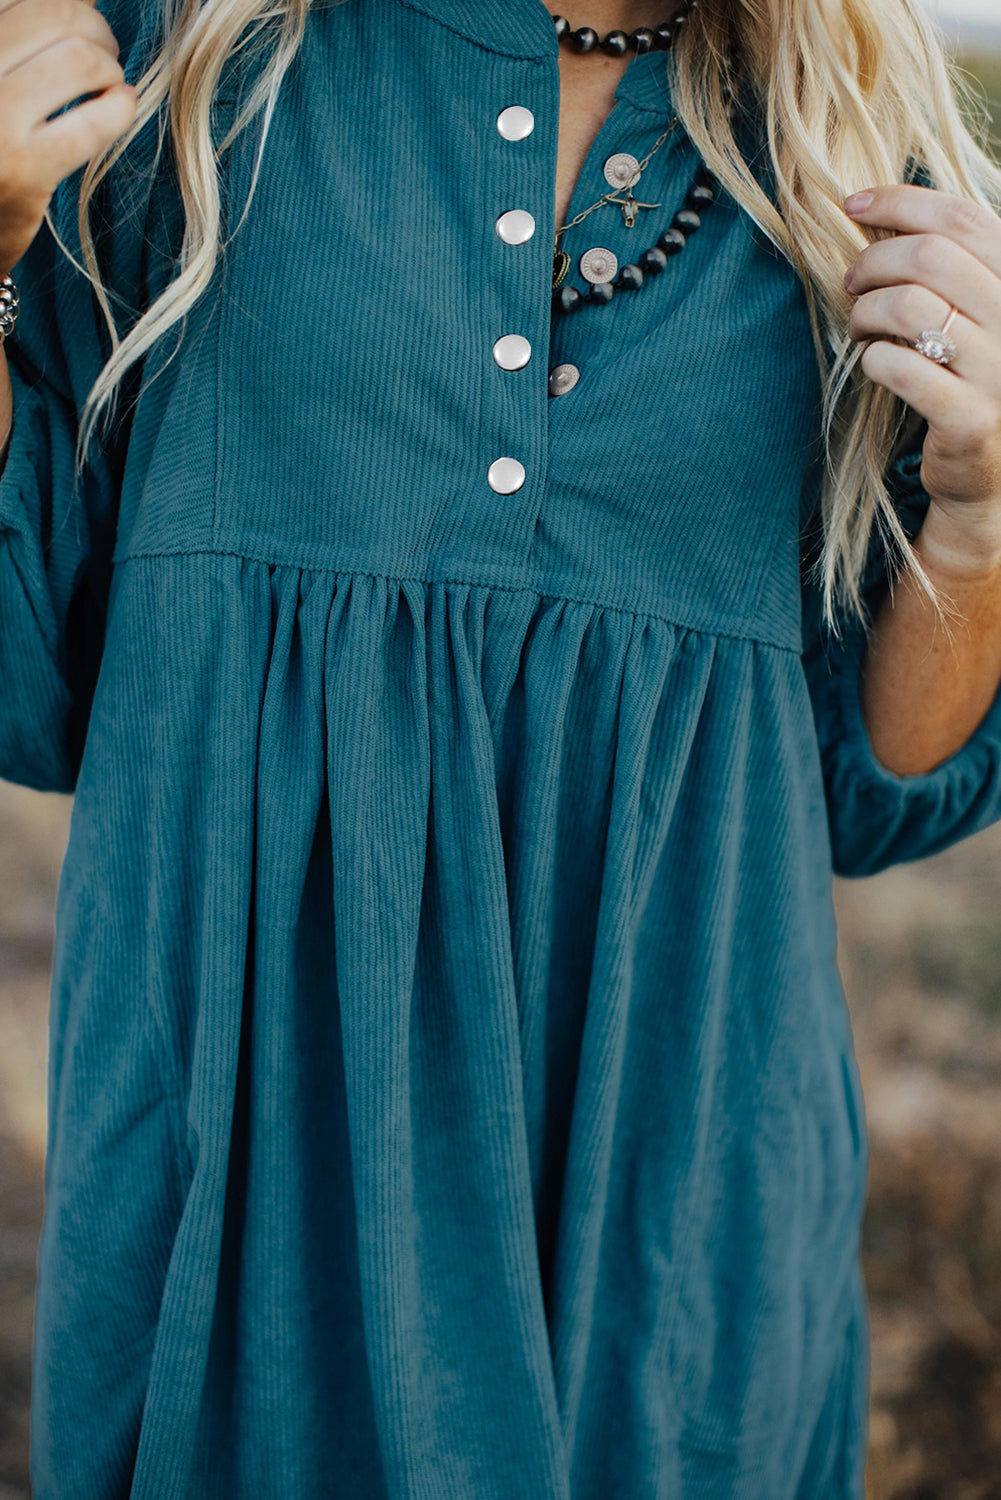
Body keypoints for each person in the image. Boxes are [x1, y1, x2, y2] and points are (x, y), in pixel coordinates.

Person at [2, 0, 1001, 1493]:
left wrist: (980, 523)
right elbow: (29, 669)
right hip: (254, 1210)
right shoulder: (177, 65)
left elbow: (871, 792)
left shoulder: (851, 146)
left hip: (677, 1229)